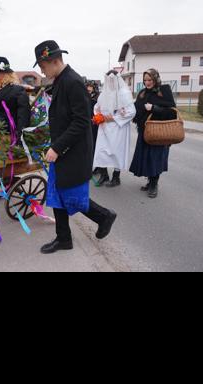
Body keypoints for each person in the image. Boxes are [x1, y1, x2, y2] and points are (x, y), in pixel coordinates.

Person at [33, 40, 117, 254]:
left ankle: (104, 216)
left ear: (52, 61)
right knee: (57, 194)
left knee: (72, 196)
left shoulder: (73, 81)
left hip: (73, 152)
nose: (42, 71)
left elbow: (81, 121)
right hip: (63, 149)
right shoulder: (60, 80)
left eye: (42, 67)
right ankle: (64, 239)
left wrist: (57, 148)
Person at [129, 68, 176, 198]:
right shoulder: (142, 93)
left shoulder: (164, 90)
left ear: (155, 79)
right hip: (145, 131)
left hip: (159, 131)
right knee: (147, 157)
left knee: (156, 158)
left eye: (150, 80)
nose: (147, 83)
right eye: (145, 80)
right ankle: (150, 182)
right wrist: (127, 112)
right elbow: (136, 108)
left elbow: (172, 111)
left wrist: (154, 108)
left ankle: (154, 184)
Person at [91, 70, 135, 188]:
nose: (110, 83)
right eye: (108, 80)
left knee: (116, 153)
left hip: (118, 129)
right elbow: (96, 107)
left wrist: (114, 118)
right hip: (104, 127)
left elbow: (131, 111)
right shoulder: (104, 93)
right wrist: (98, 116)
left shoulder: (124, 93)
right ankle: (104, 175)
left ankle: (116, 177)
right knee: (101, 151)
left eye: (112, 80)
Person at [0, 57, 31, 134]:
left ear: (7, 75)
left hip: (10, 133)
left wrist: (20, 138)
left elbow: (23, 118)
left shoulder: (17, 90)